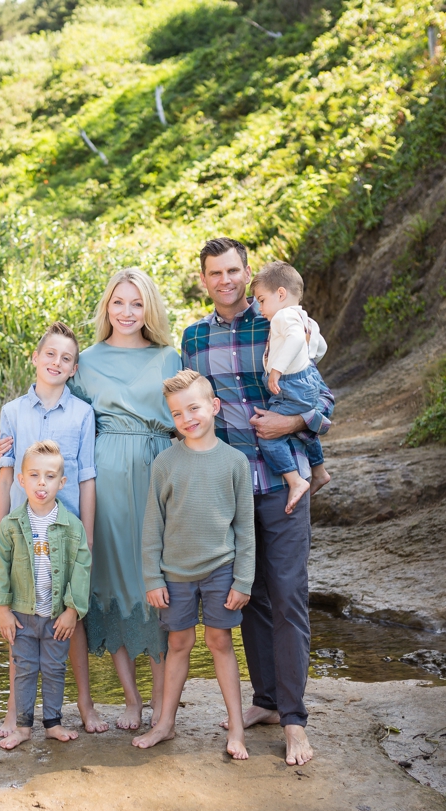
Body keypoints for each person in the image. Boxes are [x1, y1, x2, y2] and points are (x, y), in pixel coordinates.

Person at [182, 236, 328, 767]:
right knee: (250, 598)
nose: (225, 280)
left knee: (287, 597)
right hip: (230, 493)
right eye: (214, 273)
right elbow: (190, 411)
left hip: (283, 486)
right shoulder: (194, 338)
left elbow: (321, 397)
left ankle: (294, 721)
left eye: (233, 271)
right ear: (204, 280)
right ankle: (266, 701)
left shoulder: (279, 321)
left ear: (247, 274)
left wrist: (290, 424)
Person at [69, 268, 183, 731]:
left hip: (157, 474)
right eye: (119, 302)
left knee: (156, 585)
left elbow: (189, 419)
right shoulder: (86, 360)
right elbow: (65, 417)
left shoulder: (169, 357)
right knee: (114, 585)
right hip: (105, 484)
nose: (127, 311)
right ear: (107, 306)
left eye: (137, 303)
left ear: (149, 308)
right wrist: (11, 446)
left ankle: (161, 700)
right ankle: (131, 700)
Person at [133, 370, 255, 762]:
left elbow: (245, 528)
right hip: (175, 574)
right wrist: (152, 577)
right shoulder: (165, 463)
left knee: (220, 642)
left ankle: (236, 728)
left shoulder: (235, 462)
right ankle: (165, 724)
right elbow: (152, 527)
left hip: (221, 569)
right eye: (177, 413)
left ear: (214, 406)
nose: (187, 418)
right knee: (178, 644)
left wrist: (244, 580)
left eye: (194, 408)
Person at [0, 324, 103, 737]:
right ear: (35, 358)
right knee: (20, 617)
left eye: (66, 358)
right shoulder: (12, 412)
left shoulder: (82, 414)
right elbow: (6, 477)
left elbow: (87, 478)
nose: (56, 362)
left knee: (72, 616)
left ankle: (85, 704)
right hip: (22, 530)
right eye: (50, 354)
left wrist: (88, 534)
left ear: (74, 369)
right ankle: (14, 711)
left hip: (66, 532)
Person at [0, 441, 90, 753]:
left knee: (55, 669)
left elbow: (82, 569)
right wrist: (3, 611)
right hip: (21, 616)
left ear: (62, 482)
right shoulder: (11, 526)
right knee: (24, 669)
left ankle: (53, 723)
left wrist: (72, 611)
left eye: (49, 476)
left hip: (56, 616)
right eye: (34, 475)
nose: (41, 483)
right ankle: (22, 727)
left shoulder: (72, 526)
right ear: (21, 480)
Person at [249, 262, 330, 515]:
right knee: (303, 430)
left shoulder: (283, 316)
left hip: (289, 383)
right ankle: (319, 470)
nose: (260, 309)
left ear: (281, 294)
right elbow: (321, 347)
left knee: (268, 435)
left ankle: (295, 481)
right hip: (307, 380)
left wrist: (278, 369)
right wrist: (306, 363)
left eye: (262, 300)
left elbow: (295, 339)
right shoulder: (306, 318)